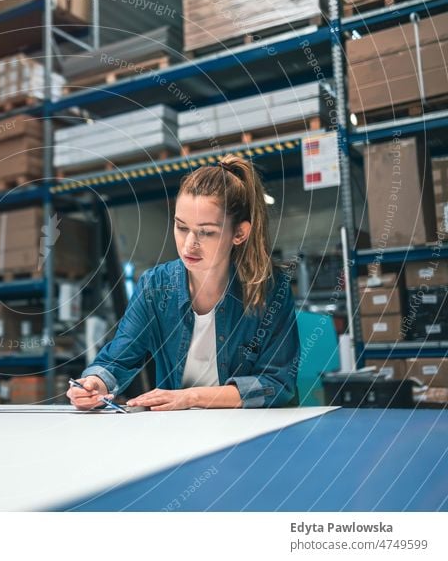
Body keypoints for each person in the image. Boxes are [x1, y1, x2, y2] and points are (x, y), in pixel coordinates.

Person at [67, 154, 299, 411]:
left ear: (240, 233)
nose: (189, 244)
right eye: (181, 227)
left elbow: (278, 383)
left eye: (206, 232)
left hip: (249, 428)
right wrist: (94, 383)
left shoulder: (270, 289)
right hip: (180, 429)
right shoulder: (155, 287)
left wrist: (191, 397)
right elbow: (119, 359)